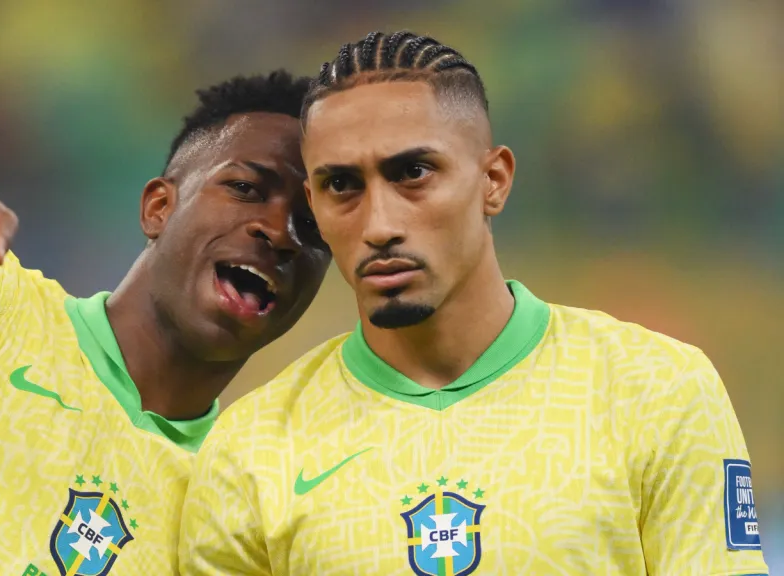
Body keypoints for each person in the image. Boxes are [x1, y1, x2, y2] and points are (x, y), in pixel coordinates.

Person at [179, 32, 768, 576]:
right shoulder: (250, 453)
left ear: (494, 180)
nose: (380, 224)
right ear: (313, 203)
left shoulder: (657, 390)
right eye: (342, 186)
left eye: (413, 172)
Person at [0, 70, 331, 576]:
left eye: (312, 226)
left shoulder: (228, 511)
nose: (279, 232)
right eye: (245, 189)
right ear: (158, 208)